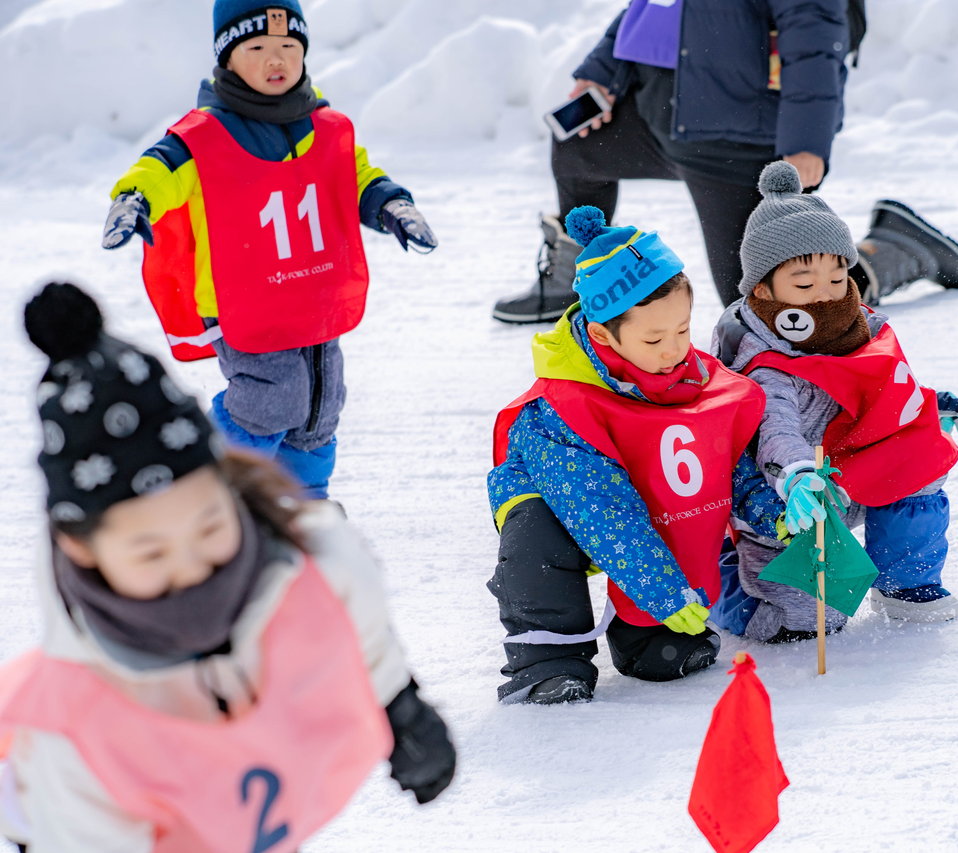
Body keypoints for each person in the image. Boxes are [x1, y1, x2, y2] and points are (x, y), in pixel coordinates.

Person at [0, 282, 455, 852]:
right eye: (151, 553)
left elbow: (356, 624)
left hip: (251, 795)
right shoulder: (76, 728)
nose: (192, 569)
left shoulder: (318, 560)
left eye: (211, 527)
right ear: (82, 550)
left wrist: (398, 706)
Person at [101, 0, 437, 499]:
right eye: (256, 47)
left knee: (322, 403)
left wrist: (391, 204)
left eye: (288, 47)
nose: (275, 59)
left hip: (312, 293)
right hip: (243, 303)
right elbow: (160, 169)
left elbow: (353, 174)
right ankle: (214, 486)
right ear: (227, 58)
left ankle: (303, 503)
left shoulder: (322, 126)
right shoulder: (203, 135)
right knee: (272, 397)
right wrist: (134, 199)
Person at [488, 206, 786, 703]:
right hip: (570, 509)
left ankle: (645, 637)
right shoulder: (560, 409)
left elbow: (721, 461)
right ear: (604, 334)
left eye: (683, 330)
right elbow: (602, 512)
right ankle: (548, 661)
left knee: (682, 531)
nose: (674, 350)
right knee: (537, 536)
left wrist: (772, 513)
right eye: (653, 338)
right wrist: (664, 593)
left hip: (644, 495)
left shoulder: (692, 377)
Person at [713, 162, 958, 642]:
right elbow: (775, 426)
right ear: (764, 288)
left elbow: (881, 389)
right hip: (785, 497)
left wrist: (929, 405)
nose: (826, 296)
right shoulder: (763, 359)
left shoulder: (857, 327)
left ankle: (907, 583)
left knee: (916, 459)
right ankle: (719, 582)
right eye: (805, 283)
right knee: (804, 623)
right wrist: (795, 473)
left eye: (837, 279)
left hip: (847, 468)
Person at [492, 0, 863, 322]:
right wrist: (601, 75)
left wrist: (806, 143)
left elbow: (813, 41)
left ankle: (878, 266)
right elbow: (649, 12)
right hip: (659, 120)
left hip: (732, 143)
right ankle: (579, 278)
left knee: (757, 299)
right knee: (578, 148)